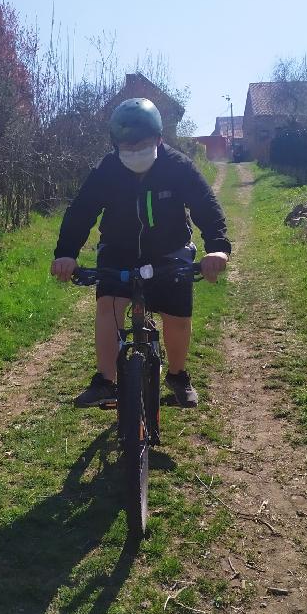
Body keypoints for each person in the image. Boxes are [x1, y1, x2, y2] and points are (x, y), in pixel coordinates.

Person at [51, 97, 231, 408]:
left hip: (169, 250)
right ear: (116, 145)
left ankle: (177, 375)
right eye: (127, 146)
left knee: (176, 314)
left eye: (143, 144)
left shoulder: (177, 167)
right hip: (118, 250)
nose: (135, 151)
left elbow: (206, 206)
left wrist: (217, 249)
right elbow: (81, 211)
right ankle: (105, 381)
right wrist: (66, 253)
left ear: (159, 139)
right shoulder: (107, 170)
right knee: (108, 304)